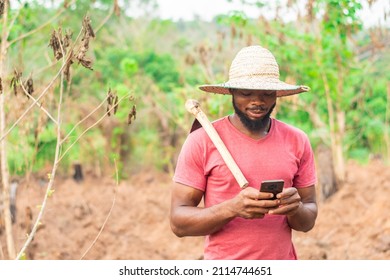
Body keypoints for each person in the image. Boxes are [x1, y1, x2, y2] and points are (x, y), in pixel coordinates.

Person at [170, 45, 318, 260]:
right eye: (246, 93)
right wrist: (232, 208)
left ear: (276, 94)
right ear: (231, 91)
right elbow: (178, 223)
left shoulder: (297, 140)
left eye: (266, 93)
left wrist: (295, 208)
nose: (257, 101)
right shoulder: (202, 141)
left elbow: (308, 220)